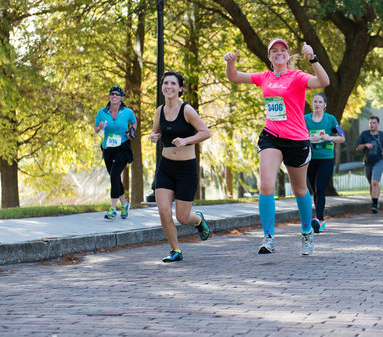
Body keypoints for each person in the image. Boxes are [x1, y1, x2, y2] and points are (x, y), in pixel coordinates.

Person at [224, 39, 329, 255]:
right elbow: (233, 76)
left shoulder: (298, 76)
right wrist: (230, 63)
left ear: (288, 56)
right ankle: (268, 237)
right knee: (266, 185)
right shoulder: (264, 77)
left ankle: (307, 232)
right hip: (271, 136)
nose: (279, 53)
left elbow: (323, 81)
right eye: (274, 51)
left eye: (283, 50)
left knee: (300, 189)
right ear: (269, 56)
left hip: (297, 139)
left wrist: (313, 59)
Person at [148, 72, 212, 262]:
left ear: (180, 88)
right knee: (163, 211)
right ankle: (176, 250)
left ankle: (198, 219)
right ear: (162, 87)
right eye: (165, 83)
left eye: (173, 83)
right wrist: (153, 136)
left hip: (186, 169)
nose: (169, 86)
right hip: (166, 167)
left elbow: (205, 132)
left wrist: (186, 140)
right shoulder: (160, 110)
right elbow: (155, 130)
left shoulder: (187, 110)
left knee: (183, 218)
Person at [93, 86, 137, 221]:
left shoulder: (127, 112)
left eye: (117, 94)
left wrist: (131, 132)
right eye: (112, 94)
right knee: (115, 177)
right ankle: (124, 204)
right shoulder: (102, 112)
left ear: (121, 97)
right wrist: (99, 127)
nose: (114, 96)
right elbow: (95, 129)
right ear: (109, 96)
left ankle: (113, 209)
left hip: (122, 147)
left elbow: (134, 123)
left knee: (114, 175)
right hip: (108, 148)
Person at [304, 93, 345, 233]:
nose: (317, 104)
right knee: (314, 190)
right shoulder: (305, 119)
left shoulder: (331, 119)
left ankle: (320, 220)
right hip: (310, 158)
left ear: (324, 105)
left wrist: (329, 137)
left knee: (320, 187)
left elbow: (342, 137)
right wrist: (309, 139)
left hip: (326, 158)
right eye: (315, 101)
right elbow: (297, 136)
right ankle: (315, 218)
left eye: (320, 102)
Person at [355, 116, 383, 214]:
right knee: (371, 184)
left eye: (374, 123)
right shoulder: (364, 134)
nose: (372, 125)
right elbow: (357, 147)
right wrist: (365, 145)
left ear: (378, 124)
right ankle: (375, 201)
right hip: (367, 162)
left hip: (379, 161)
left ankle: (374, 205)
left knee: (375, 182)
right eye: (370, 123)